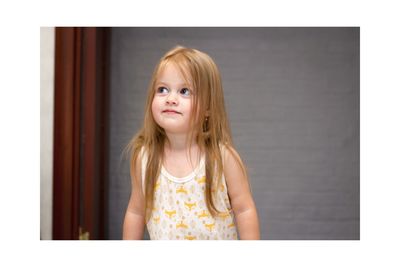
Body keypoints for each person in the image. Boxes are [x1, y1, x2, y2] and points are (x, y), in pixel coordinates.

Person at [122, 45, 260, 240]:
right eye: (162, 89)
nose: (171, 99)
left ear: (208, 108)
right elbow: (136, 212)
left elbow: (244, 209)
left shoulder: (222, 158)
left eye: (185, 91)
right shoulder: (144, 158)